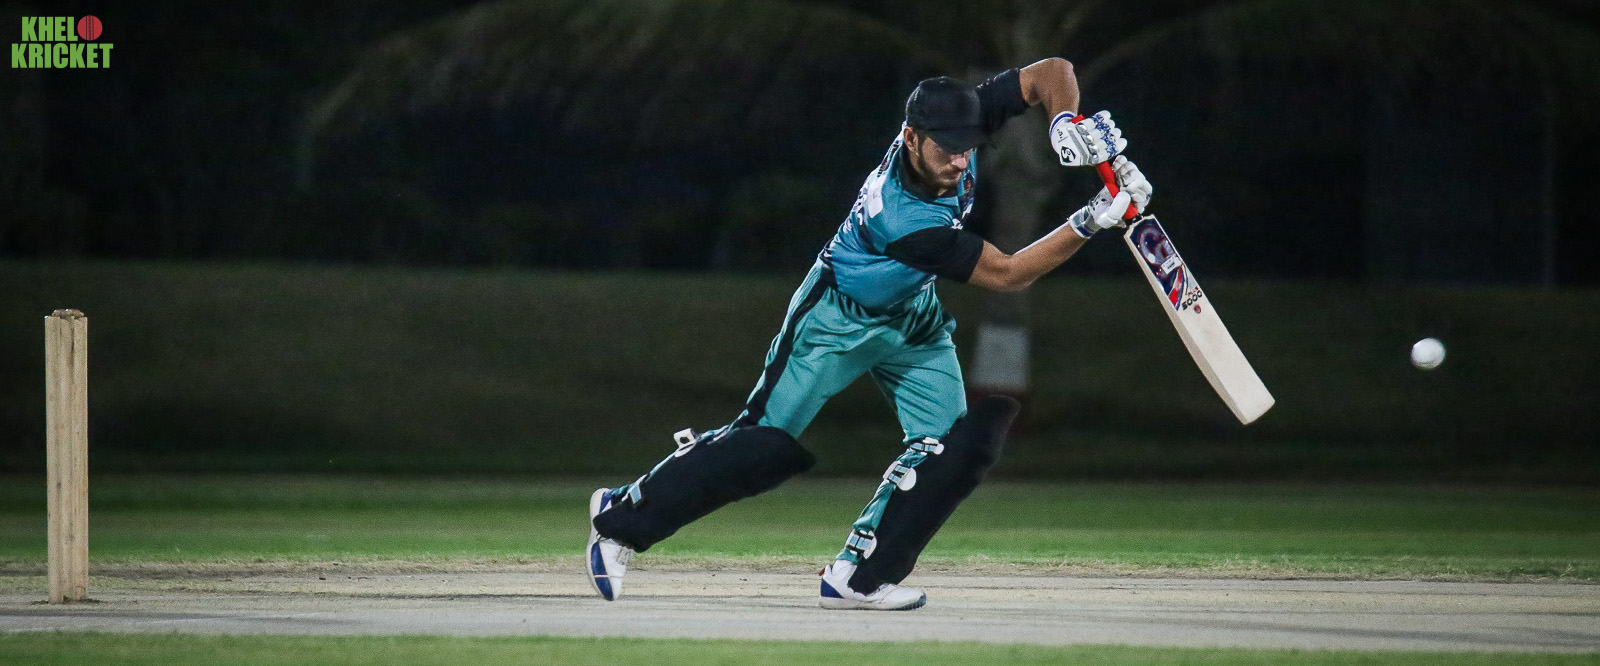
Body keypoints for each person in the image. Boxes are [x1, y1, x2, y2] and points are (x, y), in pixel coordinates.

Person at [585, 57, 1153, 610]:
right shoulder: (903, 219)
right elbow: (1008, 275)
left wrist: (1065, 123)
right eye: (946, 148)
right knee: (758, 446)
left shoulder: (958, 119)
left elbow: (1051, 72)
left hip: (914, 316)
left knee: (950, 449)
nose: (960, 160)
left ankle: (858, 576)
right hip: (836, 319)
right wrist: (1090, 220)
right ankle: (620, 517)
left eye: (968, 146)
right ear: (911, 138)